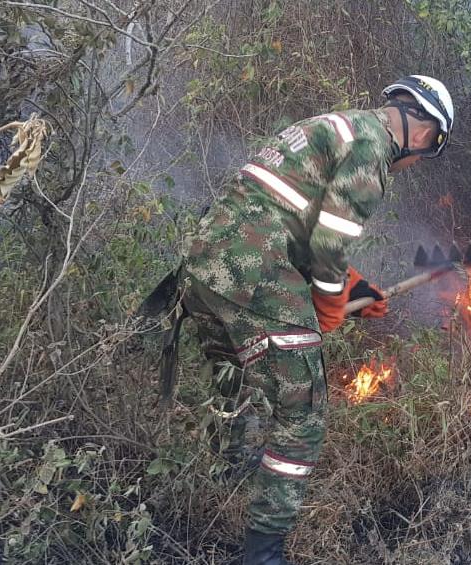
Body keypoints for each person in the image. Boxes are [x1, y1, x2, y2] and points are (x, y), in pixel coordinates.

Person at [172, 76, 454, 564]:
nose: (414, 162)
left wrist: (354, 286)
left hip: (202, 268)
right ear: (424, 130)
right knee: (302, 419)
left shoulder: (339, 127)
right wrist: (328, 308)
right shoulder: (372, 146)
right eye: (428, 148)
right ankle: (262, 555)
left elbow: (294, 216)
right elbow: (329, 243)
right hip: (254, 271)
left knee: (232, 380)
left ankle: (219, 485)